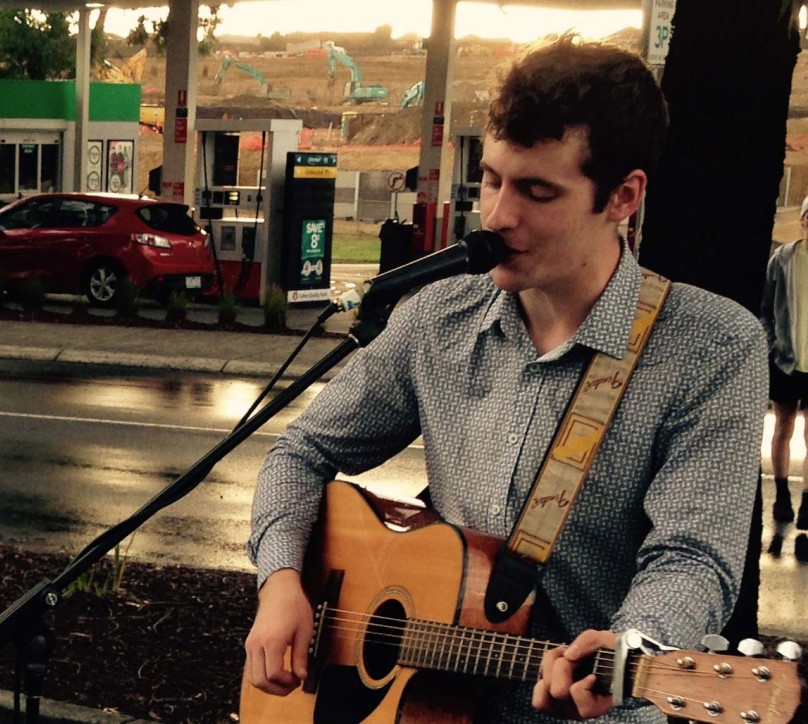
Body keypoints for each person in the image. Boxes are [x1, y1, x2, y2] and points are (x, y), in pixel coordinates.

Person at [244, 35, 767, 723]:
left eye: (537, 191)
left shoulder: (713, 346)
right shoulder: (438, 317)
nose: (496, 216)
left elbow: (694, 557)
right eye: (491, 178)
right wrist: (282, 582)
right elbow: (301, 452)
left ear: (623, 197)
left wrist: (631, 645)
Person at [761, 199, 808, 531]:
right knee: (783, 427)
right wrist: (771, 344)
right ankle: (780, 494)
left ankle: (807, 499)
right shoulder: (784, 259)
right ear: (803, 220)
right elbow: (766, 308)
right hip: (786, 360)